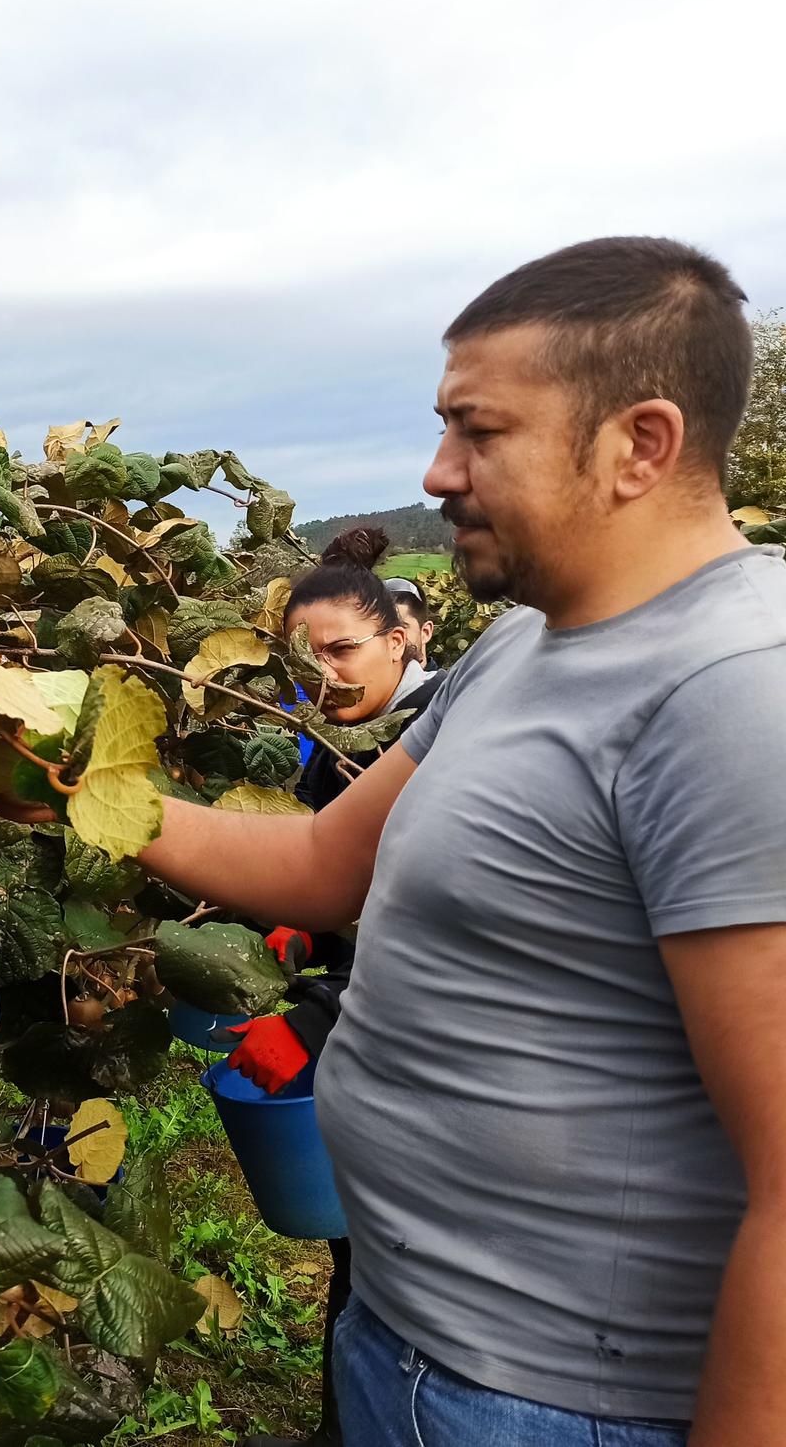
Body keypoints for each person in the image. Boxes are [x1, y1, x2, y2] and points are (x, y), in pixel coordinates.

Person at [140, 237, 785, 1446]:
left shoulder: (736, 694)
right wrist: (63, 786)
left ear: (636, 444)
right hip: (405, 1336)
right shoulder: (519, 649)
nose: (435, 473)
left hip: (555, 1402)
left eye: (477, 433)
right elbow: (320, 866)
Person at [224, 524, 442, 1447]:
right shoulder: (338, 731)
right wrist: (307, 923)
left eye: (345, 649)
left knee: (401, 1266)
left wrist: (317, 1017)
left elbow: (434, 931)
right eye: (309, 656)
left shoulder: (441, 748)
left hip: (424, 1050)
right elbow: (337, 861)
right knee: (363, 1257)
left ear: (402, 637)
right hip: (374, 1034)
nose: (327, 673)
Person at [382, 578, 437, 668]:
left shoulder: (446, 682)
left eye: (400, 628)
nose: (388, 639)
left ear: (425, 633)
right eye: (380, 630)